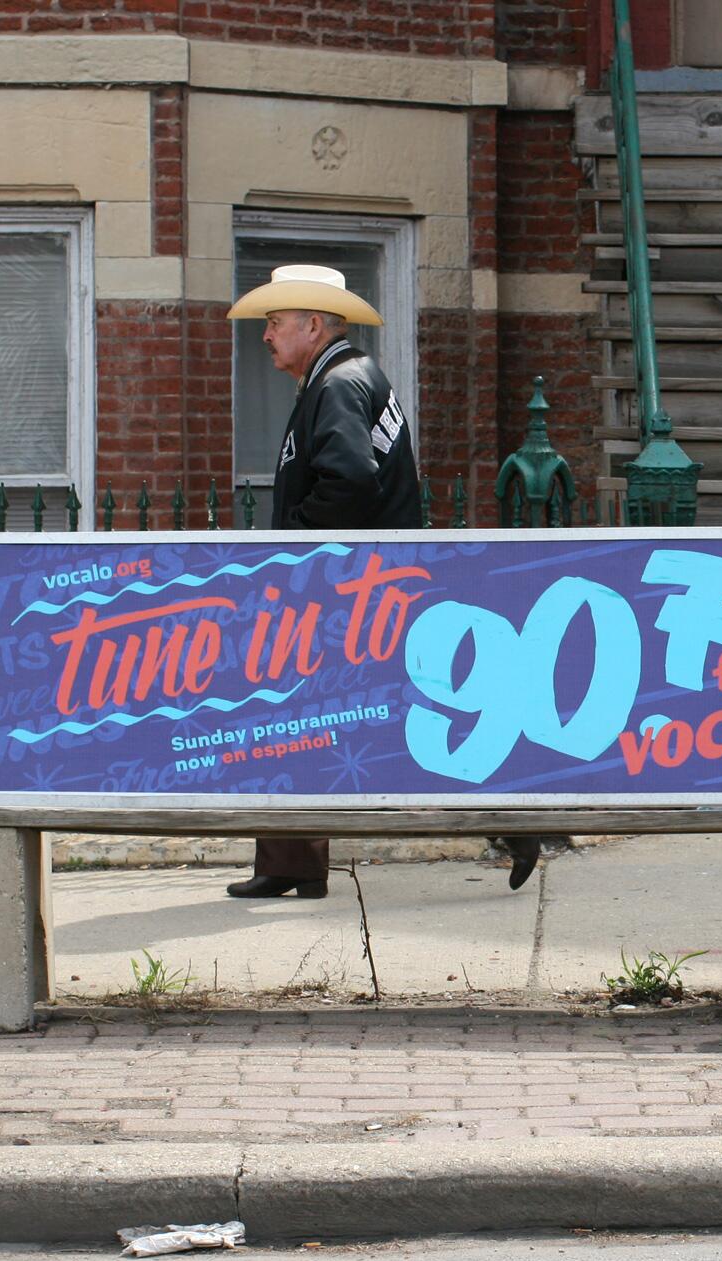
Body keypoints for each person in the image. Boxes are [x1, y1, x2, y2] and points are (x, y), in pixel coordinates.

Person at [223, 264, 421, 899]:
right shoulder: (345, 377)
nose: (266, 336)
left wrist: (301, 549)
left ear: (313, 324)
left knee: (300, 716)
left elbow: (349, 480)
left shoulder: (336, 384)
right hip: (365, 582)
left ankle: (513, 822)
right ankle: (290, 864)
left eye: (275, 323)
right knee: (294, 716)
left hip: (346, 587)